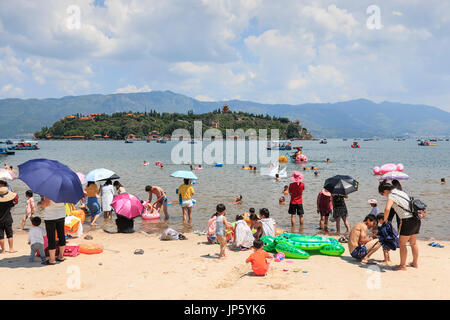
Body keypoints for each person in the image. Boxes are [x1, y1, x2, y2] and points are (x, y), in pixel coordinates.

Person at [379, 183, 421, 271]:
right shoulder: (401, 192)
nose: (384, 196)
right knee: (413, 243)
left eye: (382, 194)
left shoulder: (392, 195)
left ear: (386, 191)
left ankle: (402, 266)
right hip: (416, 219)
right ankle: (415, 263)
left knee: (402, 244)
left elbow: (387, 209)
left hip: (407, 221)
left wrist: (385, 220)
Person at [37, 197, 66, 265]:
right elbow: (64, 203)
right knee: (61, 235)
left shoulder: (49, 191)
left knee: (51, 237)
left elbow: (46, 204)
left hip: (51, 217)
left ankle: (52, 259)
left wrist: (39, 204)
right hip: (61, 215)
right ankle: (61, 256)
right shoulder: (63, 190)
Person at [0, 187, 17, 253]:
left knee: (1, 236)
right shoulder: (9, 201)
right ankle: (11, 249)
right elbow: (11, 208)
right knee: (9, 234)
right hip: (8, 219)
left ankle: (3, 250)